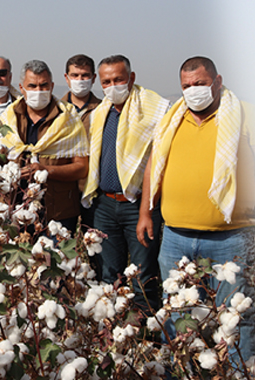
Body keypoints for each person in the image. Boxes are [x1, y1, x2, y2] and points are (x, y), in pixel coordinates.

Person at [139, 56, 255, 358]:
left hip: (232, 238)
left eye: (200, 84)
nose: (193, 91)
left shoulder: (244, 114)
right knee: (179, 310)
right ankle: (185, 369)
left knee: (236, 316)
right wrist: (144, 213)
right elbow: (154, 167)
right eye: (187, 86)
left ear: (217, 81)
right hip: (176, 237)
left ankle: (236, 371)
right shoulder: (172, 119)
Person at [81, 55, 169, 311]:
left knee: (143, 275)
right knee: (109, 274)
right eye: (106, 81)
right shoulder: (100, 113)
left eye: (118, 79)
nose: (112, 86)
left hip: (138, 206)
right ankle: (114, 334)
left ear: (131, 78)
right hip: (105, 205)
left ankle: (145, 336)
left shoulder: (153, 110)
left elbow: (159, 161)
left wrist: (147, 210)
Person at [0, 60, 88, 231]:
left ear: (52, 86)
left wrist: (44, 170)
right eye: (32, 86)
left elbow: (81, 168)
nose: (38, 91)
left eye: (43, 85)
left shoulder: (68, 118)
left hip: (57, 213)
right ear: (21, 87)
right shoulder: (8, 118)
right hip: (16, 210)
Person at [61, 54, 101, 134]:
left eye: (85, 75)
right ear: (66, 78)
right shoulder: (56, 109)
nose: (80, 79)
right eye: (75, 75)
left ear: (93, 78)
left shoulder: (103, 109)